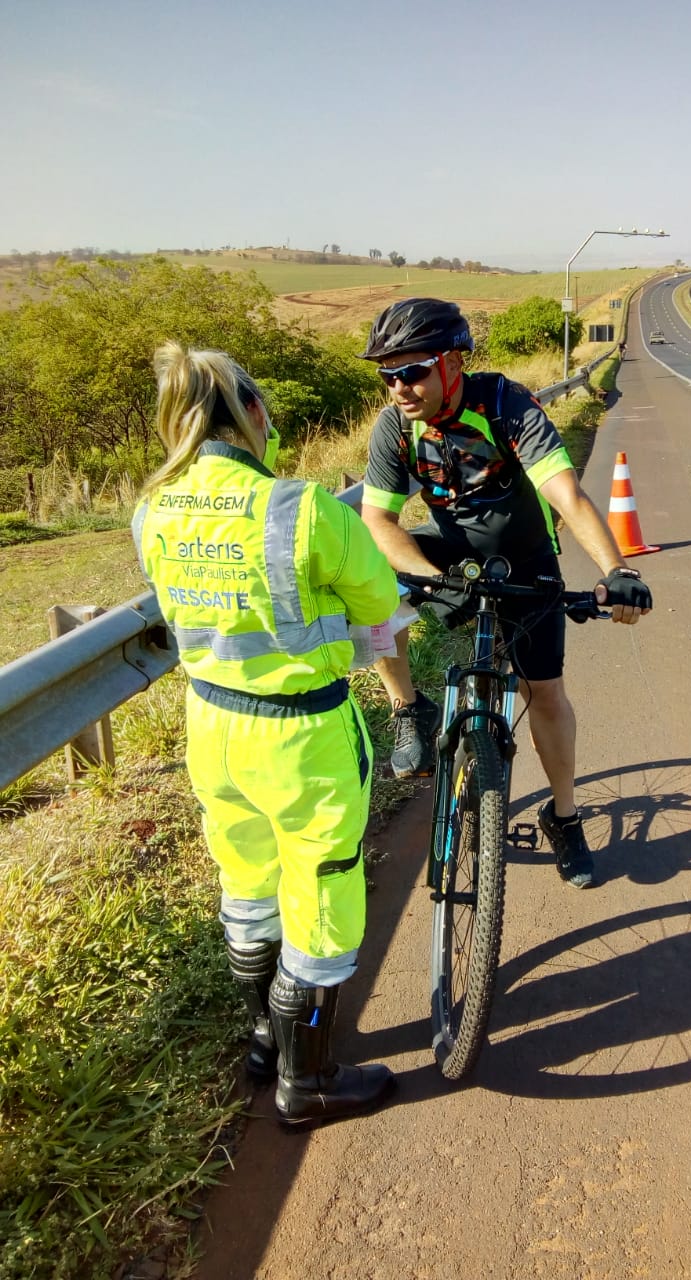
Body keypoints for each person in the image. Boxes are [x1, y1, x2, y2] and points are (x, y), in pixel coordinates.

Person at [132, 342, 400, 1129]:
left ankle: (265, 1041)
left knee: (246, 882)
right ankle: (307, 1081)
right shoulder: (302, 507)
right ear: (253, 412)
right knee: (321, 889)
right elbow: (378, 595)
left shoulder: (153, 507)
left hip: (210, 724)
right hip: (302, 735)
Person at [358, 299, 652, 889]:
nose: (399, 388)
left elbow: (566, 494)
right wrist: (429, 576)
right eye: (387, 375)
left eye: (412, 371)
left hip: (526, 559)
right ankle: (406, 709)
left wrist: (617, 570)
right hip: (450, 558)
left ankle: (563, 817)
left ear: (454, 363)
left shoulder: (505, 404)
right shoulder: (396, 427)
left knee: (544, 693)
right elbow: (378, 521)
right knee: (370, 580)